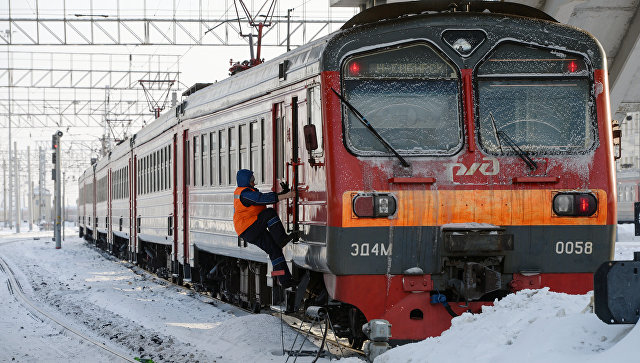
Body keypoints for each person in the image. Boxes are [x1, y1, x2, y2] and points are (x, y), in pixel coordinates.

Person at [233, 169, 298, 289]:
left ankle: (284, 281)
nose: (254, 182)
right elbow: (261, 199)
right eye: (252, 180)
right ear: (245, 181)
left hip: (248, 229)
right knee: (269, 213)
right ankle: (281, 239)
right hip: (248, 228)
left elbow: (263, 197)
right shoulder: (245, 194)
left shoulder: (247, 192)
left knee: (274, 251)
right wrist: (287, 196)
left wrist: (283, 194)